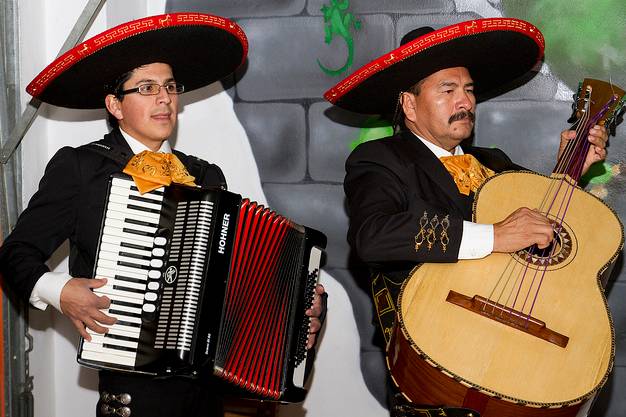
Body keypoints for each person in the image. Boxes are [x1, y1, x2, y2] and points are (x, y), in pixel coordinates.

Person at [0, 12, 326, 417]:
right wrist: (60, 292)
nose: (165, 99)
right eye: (147, 87)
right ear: (115, 105)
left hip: (208, 396)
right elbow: (16, 254)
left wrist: (296, 312)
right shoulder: (81, 168)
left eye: (170, 87)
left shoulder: (205, 175)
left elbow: (233, 280)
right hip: (135, 395)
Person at [324, 18, 608, 416]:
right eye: (449, 90)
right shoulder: (382, 158)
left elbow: (546, 227)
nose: (466, 102)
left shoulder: (496, 162)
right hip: (439, 354)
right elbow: (374, 236)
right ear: (409, 104)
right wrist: (493, 236)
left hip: (523, 355)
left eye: (470, 91)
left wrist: (572, 165)